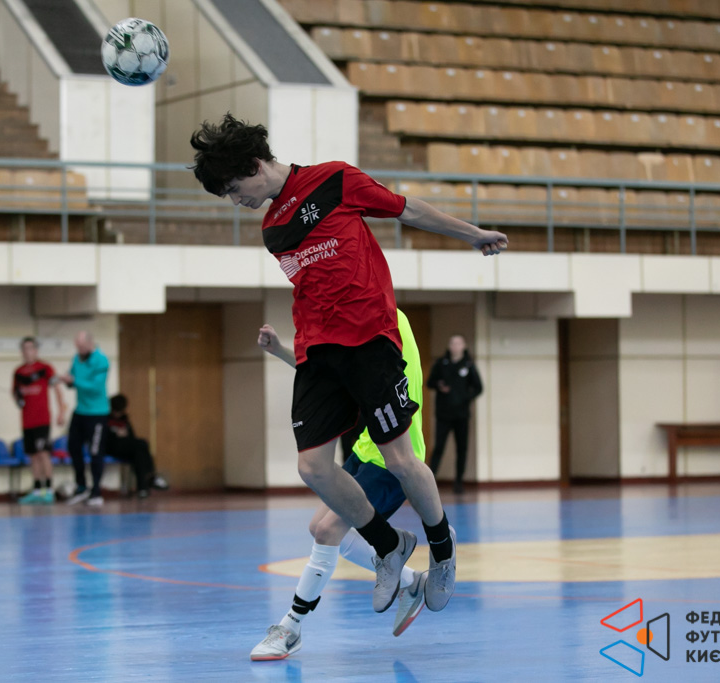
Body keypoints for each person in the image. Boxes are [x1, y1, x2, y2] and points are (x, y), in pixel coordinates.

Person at [190, 113, 506, 615]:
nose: (235, 201)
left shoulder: (334, 179)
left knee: (400, 460)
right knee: (312, 467)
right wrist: (288, 349)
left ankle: (442, 550)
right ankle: (389, 546)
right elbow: (313, 286)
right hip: (318, 350)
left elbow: (407, 209)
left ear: (253, 166)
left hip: (369, 340)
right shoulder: (273, 230)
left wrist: (470, 234)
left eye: (233, 188)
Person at [251, 311, 432, 661]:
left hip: (393, 457)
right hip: (366, 448)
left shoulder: (386, 321)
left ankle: (291, 627)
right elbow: (331, 374)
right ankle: (412, 583)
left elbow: (369, 382)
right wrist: (281, 351)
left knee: (328, 531)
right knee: (319, 527)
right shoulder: (356, 320)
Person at [58, 331, 110, 507]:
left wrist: (74, 380)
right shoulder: (76, 358)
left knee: (95, 452)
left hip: (98, 413)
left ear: (89, 343)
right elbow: (72, 380)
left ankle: (96, 492)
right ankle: (81, 487)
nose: (79, 350)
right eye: (77, 347)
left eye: (81, 346)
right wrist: (67, 380)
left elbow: (95, 387)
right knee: (73, 447)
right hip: (80, 411)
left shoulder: (101, 360)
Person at [13, 337, 67, 505]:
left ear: (36, 350)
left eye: (30, 348)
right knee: (33, 455)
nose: (27, 352)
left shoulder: (45, 368)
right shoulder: (18, 372)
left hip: (42, 419)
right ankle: (37, 490)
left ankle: (48, 490)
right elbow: (15, 393)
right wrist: (18, 399)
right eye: (24, 348)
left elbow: (57, 389)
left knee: (44, 453)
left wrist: (61, 411)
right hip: (26, 421)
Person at [427, 335, 483, 493]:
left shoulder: (469, 365)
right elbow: (430, 382)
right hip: (443, 414)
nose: (455, 346)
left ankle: (459, 482)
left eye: (458, 343)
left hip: (461, 415)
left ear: (464, 346)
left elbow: (478, 387)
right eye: (452, 343)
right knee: (438, 447)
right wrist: (439, 385)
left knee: (461, 449)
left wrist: (465, 397)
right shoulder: (441, 363)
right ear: (449, 345)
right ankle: (430, 481)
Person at [103, 394, 169, 499]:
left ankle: (143, 488)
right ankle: (151, 478)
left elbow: (132, 437)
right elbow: (103, 439)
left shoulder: (124, 419)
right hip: (112, 448)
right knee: (141, 445)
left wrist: (125, 434)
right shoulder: (106, 419)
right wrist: (116, 434)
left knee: (139, 453)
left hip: (126, 448)